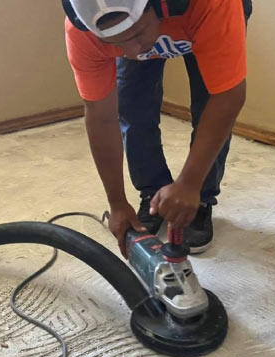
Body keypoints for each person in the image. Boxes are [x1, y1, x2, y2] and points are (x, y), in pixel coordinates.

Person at [63, 0, 251, 256]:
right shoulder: (82, 31)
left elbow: (228, 97)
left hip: (198, 16)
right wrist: (117, 203)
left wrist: (189, 184)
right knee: (132, 105)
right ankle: (152, 194)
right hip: (156, 20)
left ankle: (201, 199)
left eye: (136, 34)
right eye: (117, 43)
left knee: (209, 102)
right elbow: (101, 116)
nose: (131, 52)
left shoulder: (213, 4)